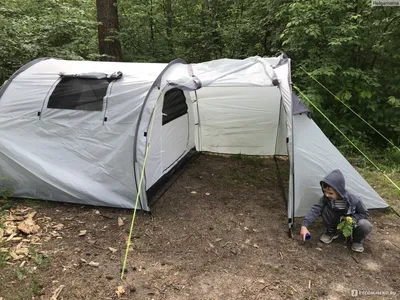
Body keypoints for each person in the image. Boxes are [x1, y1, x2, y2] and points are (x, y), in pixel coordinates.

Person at [299, 169, 372, 252]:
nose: (327, 195)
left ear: (339, 191)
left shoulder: (354, 199)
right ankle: (332, 232)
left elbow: (364, 214)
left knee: (365, 224)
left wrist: (352, 218)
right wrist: (304, 225)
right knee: (325, 209)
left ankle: (357, 240)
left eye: (330, 193)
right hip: (337, 222)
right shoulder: (326, 199)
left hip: (351, 224)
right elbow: (315, 209)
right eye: (325, 192)